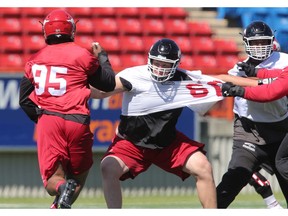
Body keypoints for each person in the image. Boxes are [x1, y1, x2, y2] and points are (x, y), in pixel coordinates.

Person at [90, 38, 232, 208]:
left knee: (203, 167)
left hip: (167, 143)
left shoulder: (183, 78)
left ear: (176, 65)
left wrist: (258, 84)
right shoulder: (134, 76)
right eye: (157, 62)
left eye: (166, 64)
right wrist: (74, 86)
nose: (160, 68)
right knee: (108, 167)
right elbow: (101, 92)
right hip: (132, 143)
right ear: (149, 59)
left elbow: (220, 80)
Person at [19, 9, 116, 209]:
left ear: (46, 30)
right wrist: (103, 57)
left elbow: (24, 100)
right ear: (71, 29)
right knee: (79, 176)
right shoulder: (82, 55)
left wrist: (41, 118)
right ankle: (59, 206)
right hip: (77, 120)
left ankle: (62, 189)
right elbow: (108, 84)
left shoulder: (35, 59)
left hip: (49, 120)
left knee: (53, 181)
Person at [218, 20, 288, 209]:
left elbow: (270, 90)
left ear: (271, 42)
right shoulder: (238, 69)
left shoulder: (284, 61)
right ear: (246, 43)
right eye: (254, 43)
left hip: (282, 132)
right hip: (250, 132)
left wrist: (237, 86)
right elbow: (222, 82)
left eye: (262, 42)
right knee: (233, 178)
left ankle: (272, 204)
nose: (259, 47)